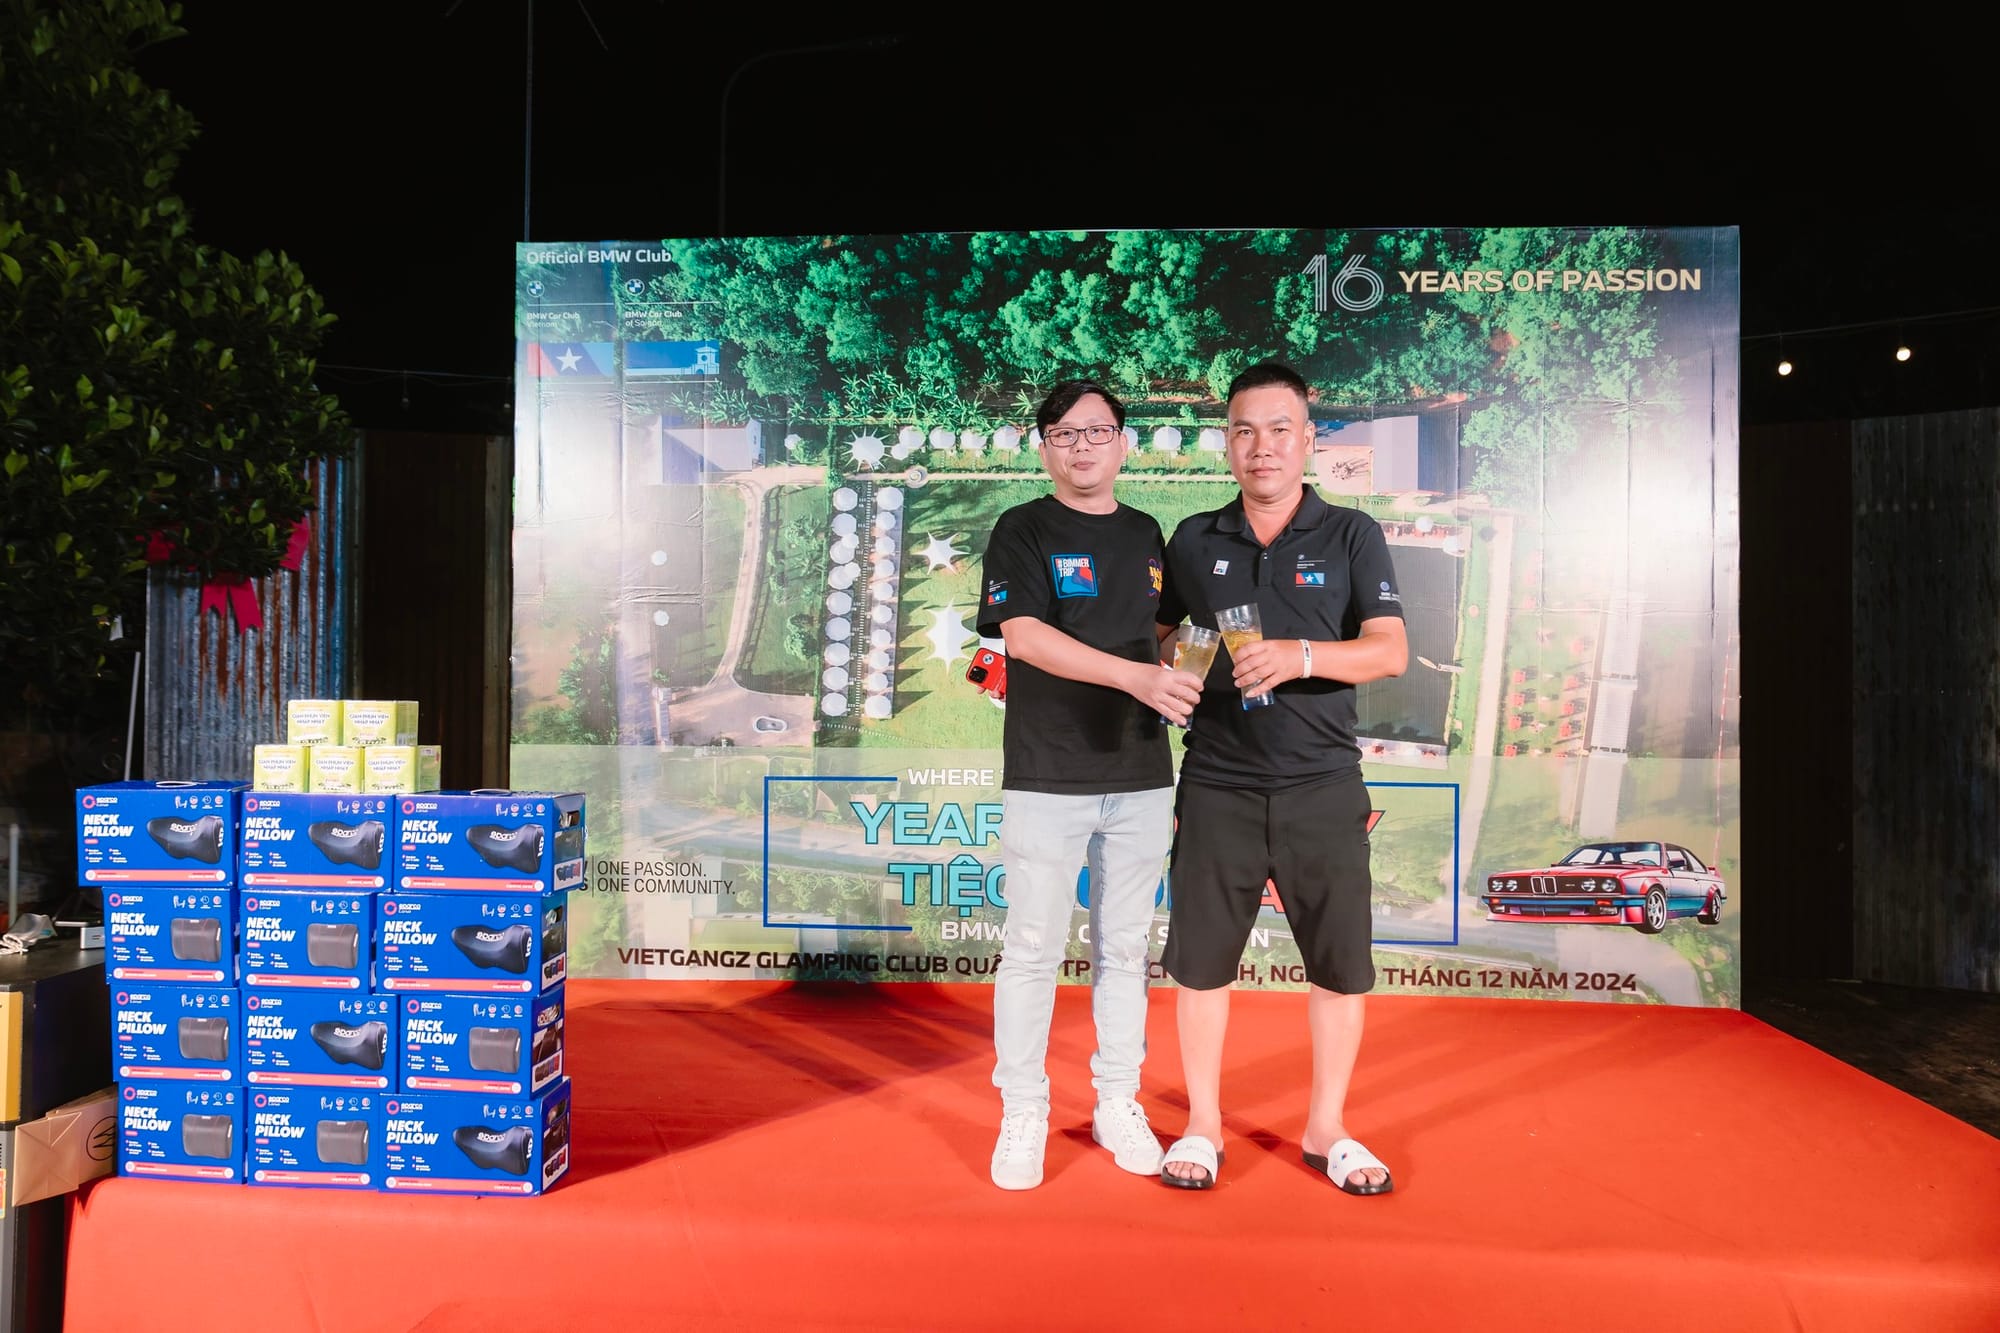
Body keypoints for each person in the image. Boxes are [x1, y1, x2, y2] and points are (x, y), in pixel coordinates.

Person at [1154, 360, 1409, 1194]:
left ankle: (1327, 1126)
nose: (1260, 446)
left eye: (1277, 429)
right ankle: (1202, 1123)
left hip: (1323, 783)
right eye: (1243, 431)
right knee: (1201, 964)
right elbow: (1164, 636)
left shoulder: (1352, 534)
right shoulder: (1195, 537)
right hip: (1216, 781)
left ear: (1307, 439)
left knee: (1340, 964)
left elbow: (1389, 650)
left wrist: (1299, 656)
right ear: (1226, 443)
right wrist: (1182, 658)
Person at [978, 379, 1205, 1190]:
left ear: (1123, 443)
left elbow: (1166, 634)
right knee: (1033, 949)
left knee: (1124, 950)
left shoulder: (1146, 533)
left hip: (1140, 771)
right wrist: (1138, 677)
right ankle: (1023, 1109)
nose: (1082, 446)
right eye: (1065, 433)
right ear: (1044, 447)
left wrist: (1199, 655)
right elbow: (1024, 636)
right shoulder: (1023, 527)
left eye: (1098, 431)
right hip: (1049, 771)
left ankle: (1117, 1099)